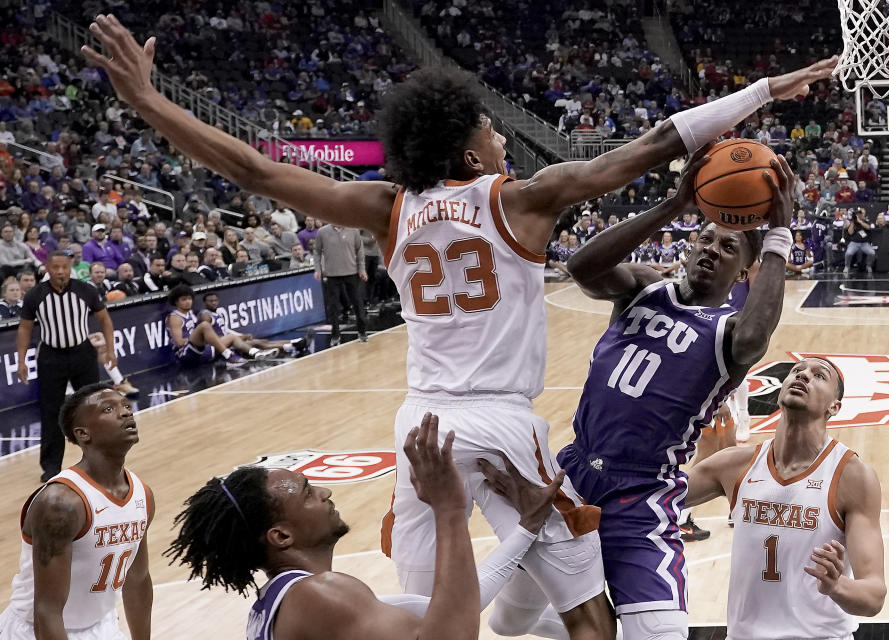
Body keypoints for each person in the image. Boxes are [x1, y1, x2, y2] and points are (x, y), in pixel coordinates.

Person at [82, 18, 835, 638]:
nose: (503, 139)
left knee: (424, 618)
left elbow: (253, 171)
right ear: (471, 152)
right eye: (492, 131)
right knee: (588, 621)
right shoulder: (523, 198)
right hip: (504, 423)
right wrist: (765, 91)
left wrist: (149, 102)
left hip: (424, 425)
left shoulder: (386, 206)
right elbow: (654, 148)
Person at [545, 149, 796, 640]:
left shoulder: (730, 332)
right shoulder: (643, 286)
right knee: (512, 618)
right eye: (705, 238)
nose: (711, 249)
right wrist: (672, 205)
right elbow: (582, 267)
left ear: (745, 272)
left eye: (728, 249)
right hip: (571, 473)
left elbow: (755, 338)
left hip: (640, 492)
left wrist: (778, 240)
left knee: (663, 636)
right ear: (687, 246)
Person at [166, 414, 562, 640]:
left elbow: (446, 609)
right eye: (306, 493)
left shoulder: (286, 599)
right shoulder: (320, 595)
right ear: (281, 536)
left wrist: (526, 528)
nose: (323, 491)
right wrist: (449, 510)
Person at [685, 357, 886, 637]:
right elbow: (655, 496)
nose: (803, 376)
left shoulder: (852, 477)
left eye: (819, 376)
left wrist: (837, 586)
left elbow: (874, 596)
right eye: (796, 371)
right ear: (780, 393)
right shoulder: (735, 465)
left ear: (834, 407)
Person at [0, 383, 154, 640]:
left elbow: (137, 580)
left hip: (102, 627)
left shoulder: (142, 494)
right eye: (109, 409)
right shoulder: (60, 503)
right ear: (83, 434)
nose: (126, 412)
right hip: (37, 632)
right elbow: (47, 611)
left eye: (126, 406)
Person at [17, 251, 117, 482]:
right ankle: (51, 466)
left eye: (64, 267)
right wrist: (21, 360)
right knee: (51, 411)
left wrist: (110, 349)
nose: (60, 271)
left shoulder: (86, 290)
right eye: (56, 267)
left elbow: (105, 320)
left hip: (82, 353)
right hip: (51, 357)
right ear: (47, 269)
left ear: (71, 267)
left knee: (93, 408)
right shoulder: (36, 295)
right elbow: (24, 328)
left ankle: (99, 460)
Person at [165, 284, 264, 366]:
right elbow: (179, 343)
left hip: (198, 349)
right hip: (184, 353)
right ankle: (228, 355)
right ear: (176, 302)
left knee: (232, 337)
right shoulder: (175, 317)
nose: (188, 302)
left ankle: (255, 352)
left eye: (189, 299)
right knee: (204, 325)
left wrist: (207, 339)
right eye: (184, 299)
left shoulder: (190, 313)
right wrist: (201, 338)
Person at [199, 291, 310, 357]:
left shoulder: (217, 313)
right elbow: (210, 336)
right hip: (221, 345)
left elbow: (226, 329)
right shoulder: (205, 315)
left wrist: (240, 335)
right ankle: (291, 345)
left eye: (215, 300)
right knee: (257, 343)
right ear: (205, 302)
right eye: (210, 301)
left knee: (263, 341)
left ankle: (292, 343)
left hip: (229, 340)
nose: (213, 303)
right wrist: (238, 337)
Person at [314, 224, 368, 345]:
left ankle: (362, 332)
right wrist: (318, 269)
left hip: (351, 272)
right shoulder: (322, 232)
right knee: (333, 307)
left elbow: (360, 250)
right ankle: (335, 336)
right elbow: (316, 251)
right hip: (331, 274)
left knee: (357, 303)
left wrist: (362, 269)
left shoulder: (353, 230)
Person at [843, 208, 875, 275]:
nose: (859, 215)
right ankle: (847, 266)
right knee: (848, 253)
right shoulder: (853, 222)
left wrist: (860, 221)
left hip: (864, 243)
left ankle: (868, 266)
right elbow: (850, 233)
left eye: (861, 214)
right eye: (858, 214)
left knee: (872, 253)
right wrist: (853, 222)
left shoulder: (867, 221)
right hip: (854, 243)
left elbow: (869, 227)